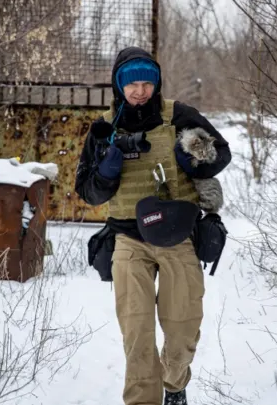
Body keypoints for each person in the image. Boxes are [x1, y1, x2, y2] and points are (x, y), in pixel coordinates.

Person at [75, 46, 231, 405]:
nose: (140, 91)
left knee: (181, 330)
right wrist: (107, 171)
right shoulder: (103, 129)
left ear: (156, 83)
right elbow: (87, 191)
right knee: (137, 334)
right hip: (128, 239)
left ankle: (175, 385)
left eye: (147, 83)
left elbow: (221, 154)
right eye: (132, 85)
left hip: (179, 237)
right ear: (119, 86)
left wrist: (193, 161)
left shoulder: (180, 115)